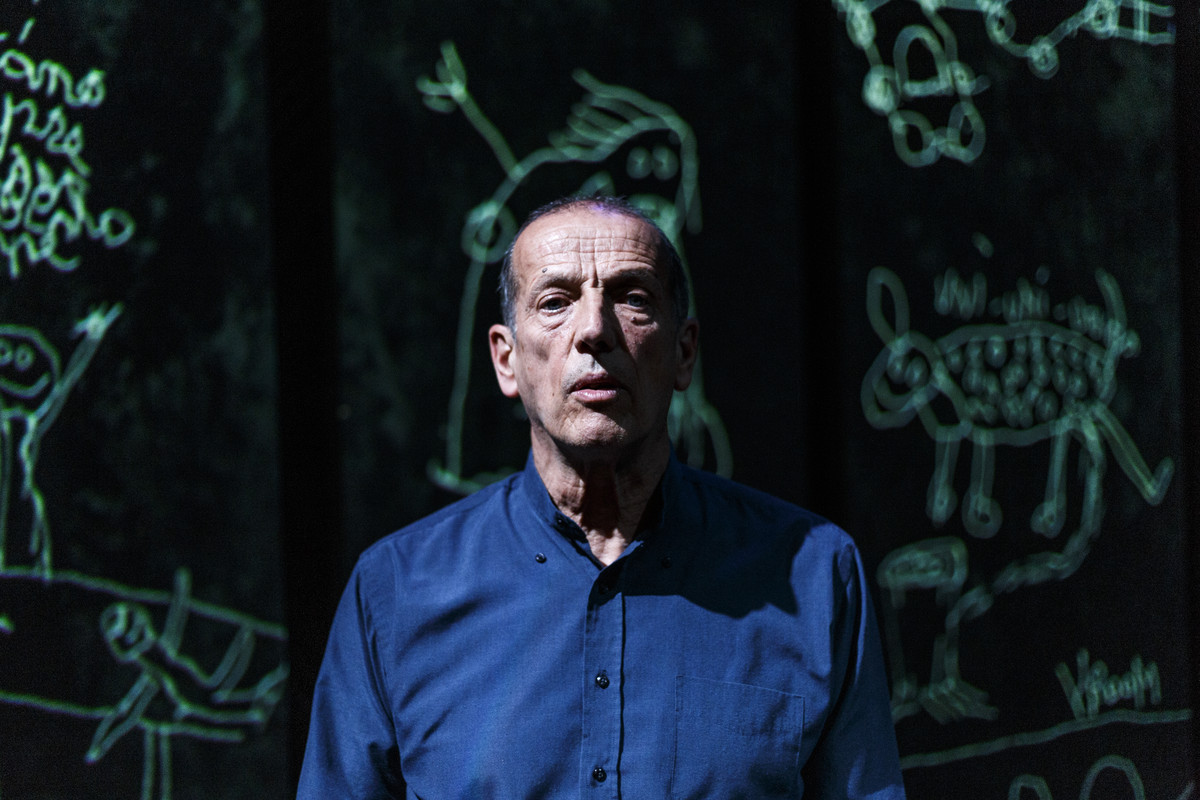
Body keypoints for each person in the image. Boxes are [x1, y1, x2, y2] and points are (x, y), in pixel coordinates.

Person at [298, 196, 906, 798]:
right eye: (555, 302)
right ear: (506, 360)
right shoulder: (398, 589)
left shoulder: (812, 574)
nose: (593, 329)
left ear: (684, 352)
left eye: (632, 298)